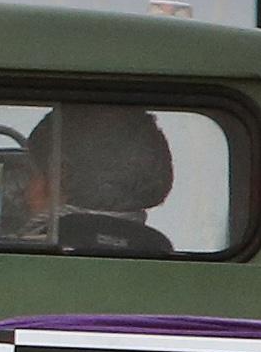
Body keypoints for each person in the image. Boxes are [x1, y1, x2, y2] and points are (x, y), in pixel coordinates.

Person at [40, 102, 178, 256]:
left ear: (60, 175)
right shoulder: (158, 251)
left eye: (31, 173)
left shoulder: (36, 245)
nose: (22, 189)